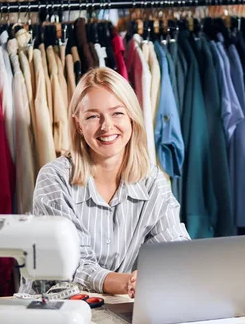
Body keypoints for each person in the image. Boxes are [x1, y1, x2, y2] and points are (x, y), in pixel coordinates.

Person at [26, 67, 190, 297]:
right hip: (55, 308)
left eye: (117, 113)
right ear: (78, 125)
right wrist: (129, 283)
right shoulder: (55, 178)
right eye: (93, 116)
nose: (107, 126)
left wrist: (161, 271)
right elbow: (71, 265)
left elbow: (175, 246)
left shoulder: (152, 181)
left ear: (132, 117)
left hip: (118, 305)